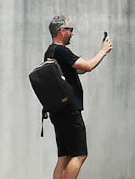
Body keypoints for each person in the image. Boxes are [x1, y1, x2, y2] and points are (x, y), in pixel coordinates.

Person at [45, 15, 113, 179]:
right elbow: (88, 66)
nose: (72, 34)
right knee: (79, 155)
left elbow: (79, 69)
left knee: (64, 157)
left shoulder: (50, 51)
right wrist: (103, 51)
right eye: (70, 30)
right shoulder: (61, 51)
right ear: (62, 31)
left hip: (57, 110)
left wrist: (97, 58)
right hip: (70, 111)